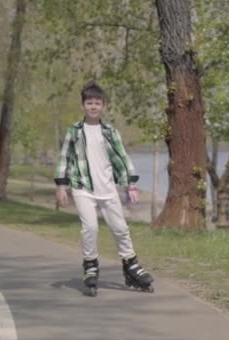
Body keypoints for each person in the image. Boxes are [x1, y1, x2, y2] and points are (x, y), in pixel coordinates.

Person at [54, 81, 154, 296]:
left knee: (120, 228)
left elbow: (122, 158)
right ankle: (90, 265)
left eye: (97, 103)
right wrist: (61, 187)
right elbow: (65, 158)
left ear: (104, 106)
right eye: (89, 102)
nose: (93, 106)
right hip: (83, 188)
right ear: (82, 106)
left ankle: (131, 265)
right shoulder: (75, 131)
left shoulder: (110, 131)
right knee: (90, 228)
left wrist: (131, 185)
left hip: (107, 188)